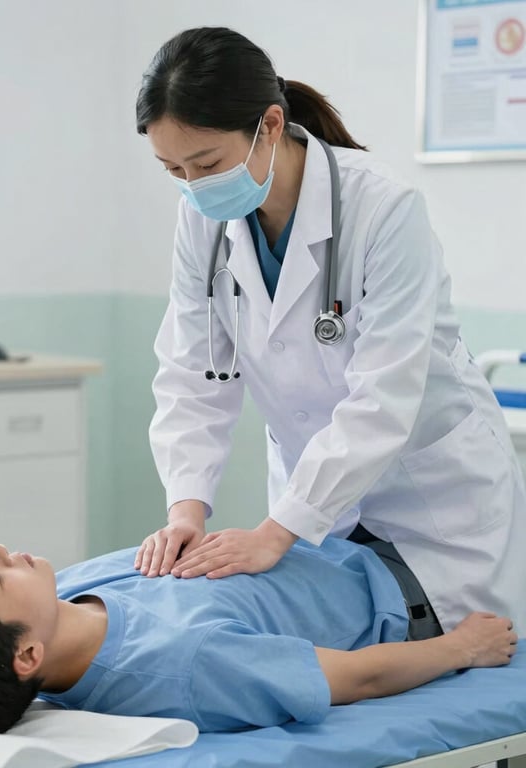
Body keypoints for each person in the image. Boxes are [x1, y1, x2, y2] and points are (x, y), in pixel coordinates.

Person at [133, 26, 526, 634]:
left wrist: (276, 532)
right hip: (315, 505)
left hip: (432, 505)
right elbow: (192, 373)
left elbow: (384, 397)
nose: (194, 187)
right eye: (173, 170)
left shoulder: (384, 208)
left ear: (268, 124)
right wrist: (187, 507)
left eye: (206, 163)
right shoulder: (202, 221)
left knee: (417, 638)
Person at [0, 541, 517, 739]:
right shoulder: (182, 666)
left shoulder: (67, 595)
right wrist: (465, 649)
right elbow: (354, 678)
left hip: (338, 527)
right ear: (26, 657)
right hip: (412, 580)